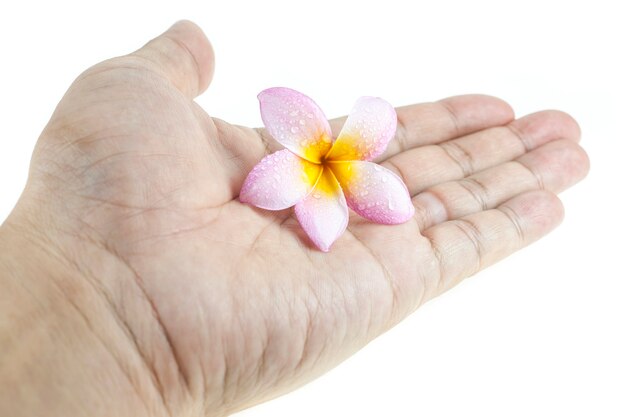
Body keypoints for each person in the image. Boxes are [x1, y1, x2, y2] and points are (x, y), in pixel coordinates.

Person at [0, 20, 589, 417]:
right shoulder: (298, 162)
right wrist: (113, 329)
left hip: (332, 172)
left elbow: (358, 201)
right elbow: (298, 200)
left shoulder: (349, 167)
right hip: (315, 171)